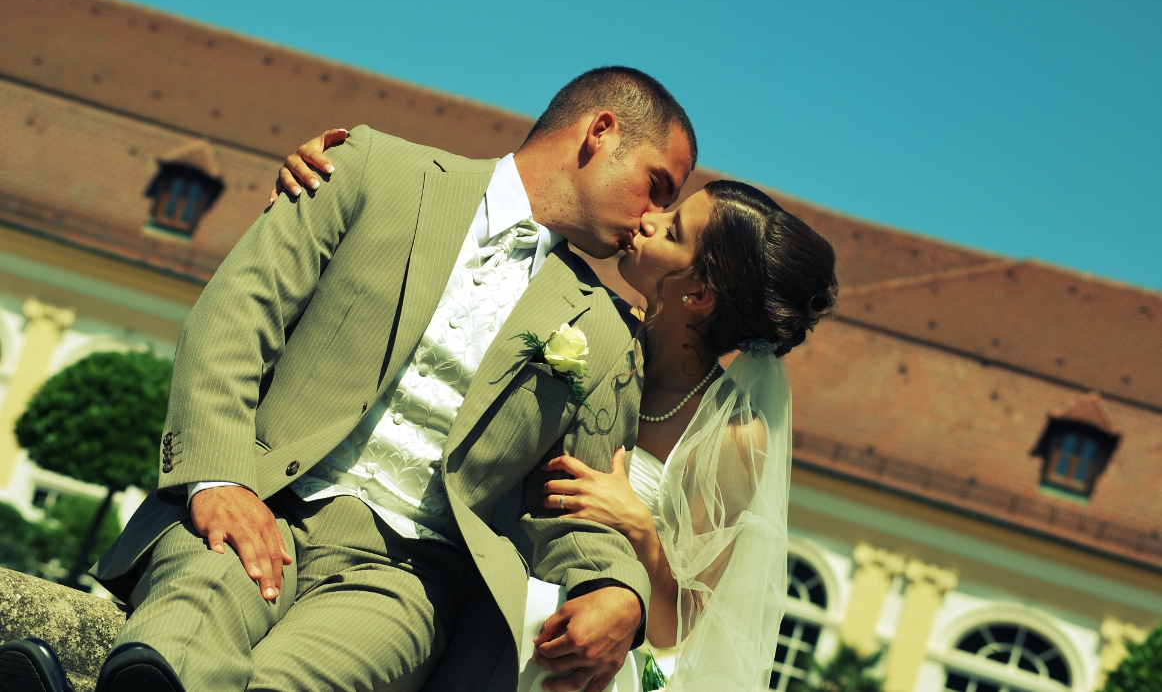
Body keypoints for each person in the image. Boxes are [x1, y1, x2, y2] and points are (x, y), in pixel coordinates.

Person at [4, 67, 698, 692]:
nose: (650, 216)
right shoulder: (367, 169)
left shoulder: (607, 333)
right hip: (260, 497)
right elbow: (234, 324)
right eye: (656, 184)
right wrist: (219, 479)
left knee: (297, 682)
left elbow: (579, 502)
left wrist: (620, 591)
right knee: (187, 620)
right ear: (599, 132)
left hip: (406, 578)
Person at [277, 138, 838, 690]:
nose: (648, 219)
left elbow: (677, 625)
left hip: (567, 658)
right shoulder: (583, 317)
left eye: (672, 230)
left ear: (699, 294)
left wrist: (640, 527)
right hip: (450, 589)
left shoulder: (736, 434)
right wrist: (327, 174)